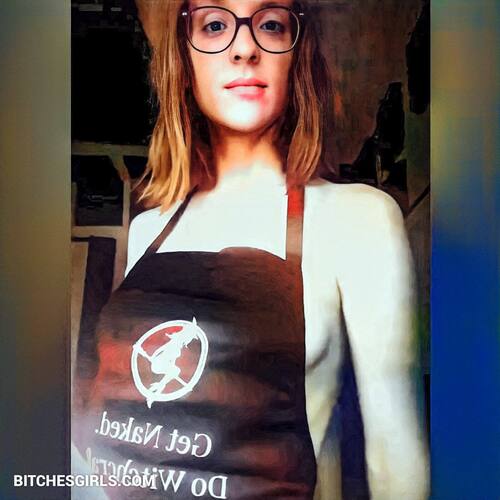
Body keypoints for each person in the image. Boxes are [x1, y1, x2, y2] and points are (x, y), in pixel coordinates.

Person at [73, 1, 430, 499]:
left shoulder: (358, 219)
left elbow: (395, 459)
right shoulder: (147, 229)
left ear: (297, 55)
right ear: (185, 59)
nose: (244, 48)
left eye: (270, 24)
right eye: (215, 25)